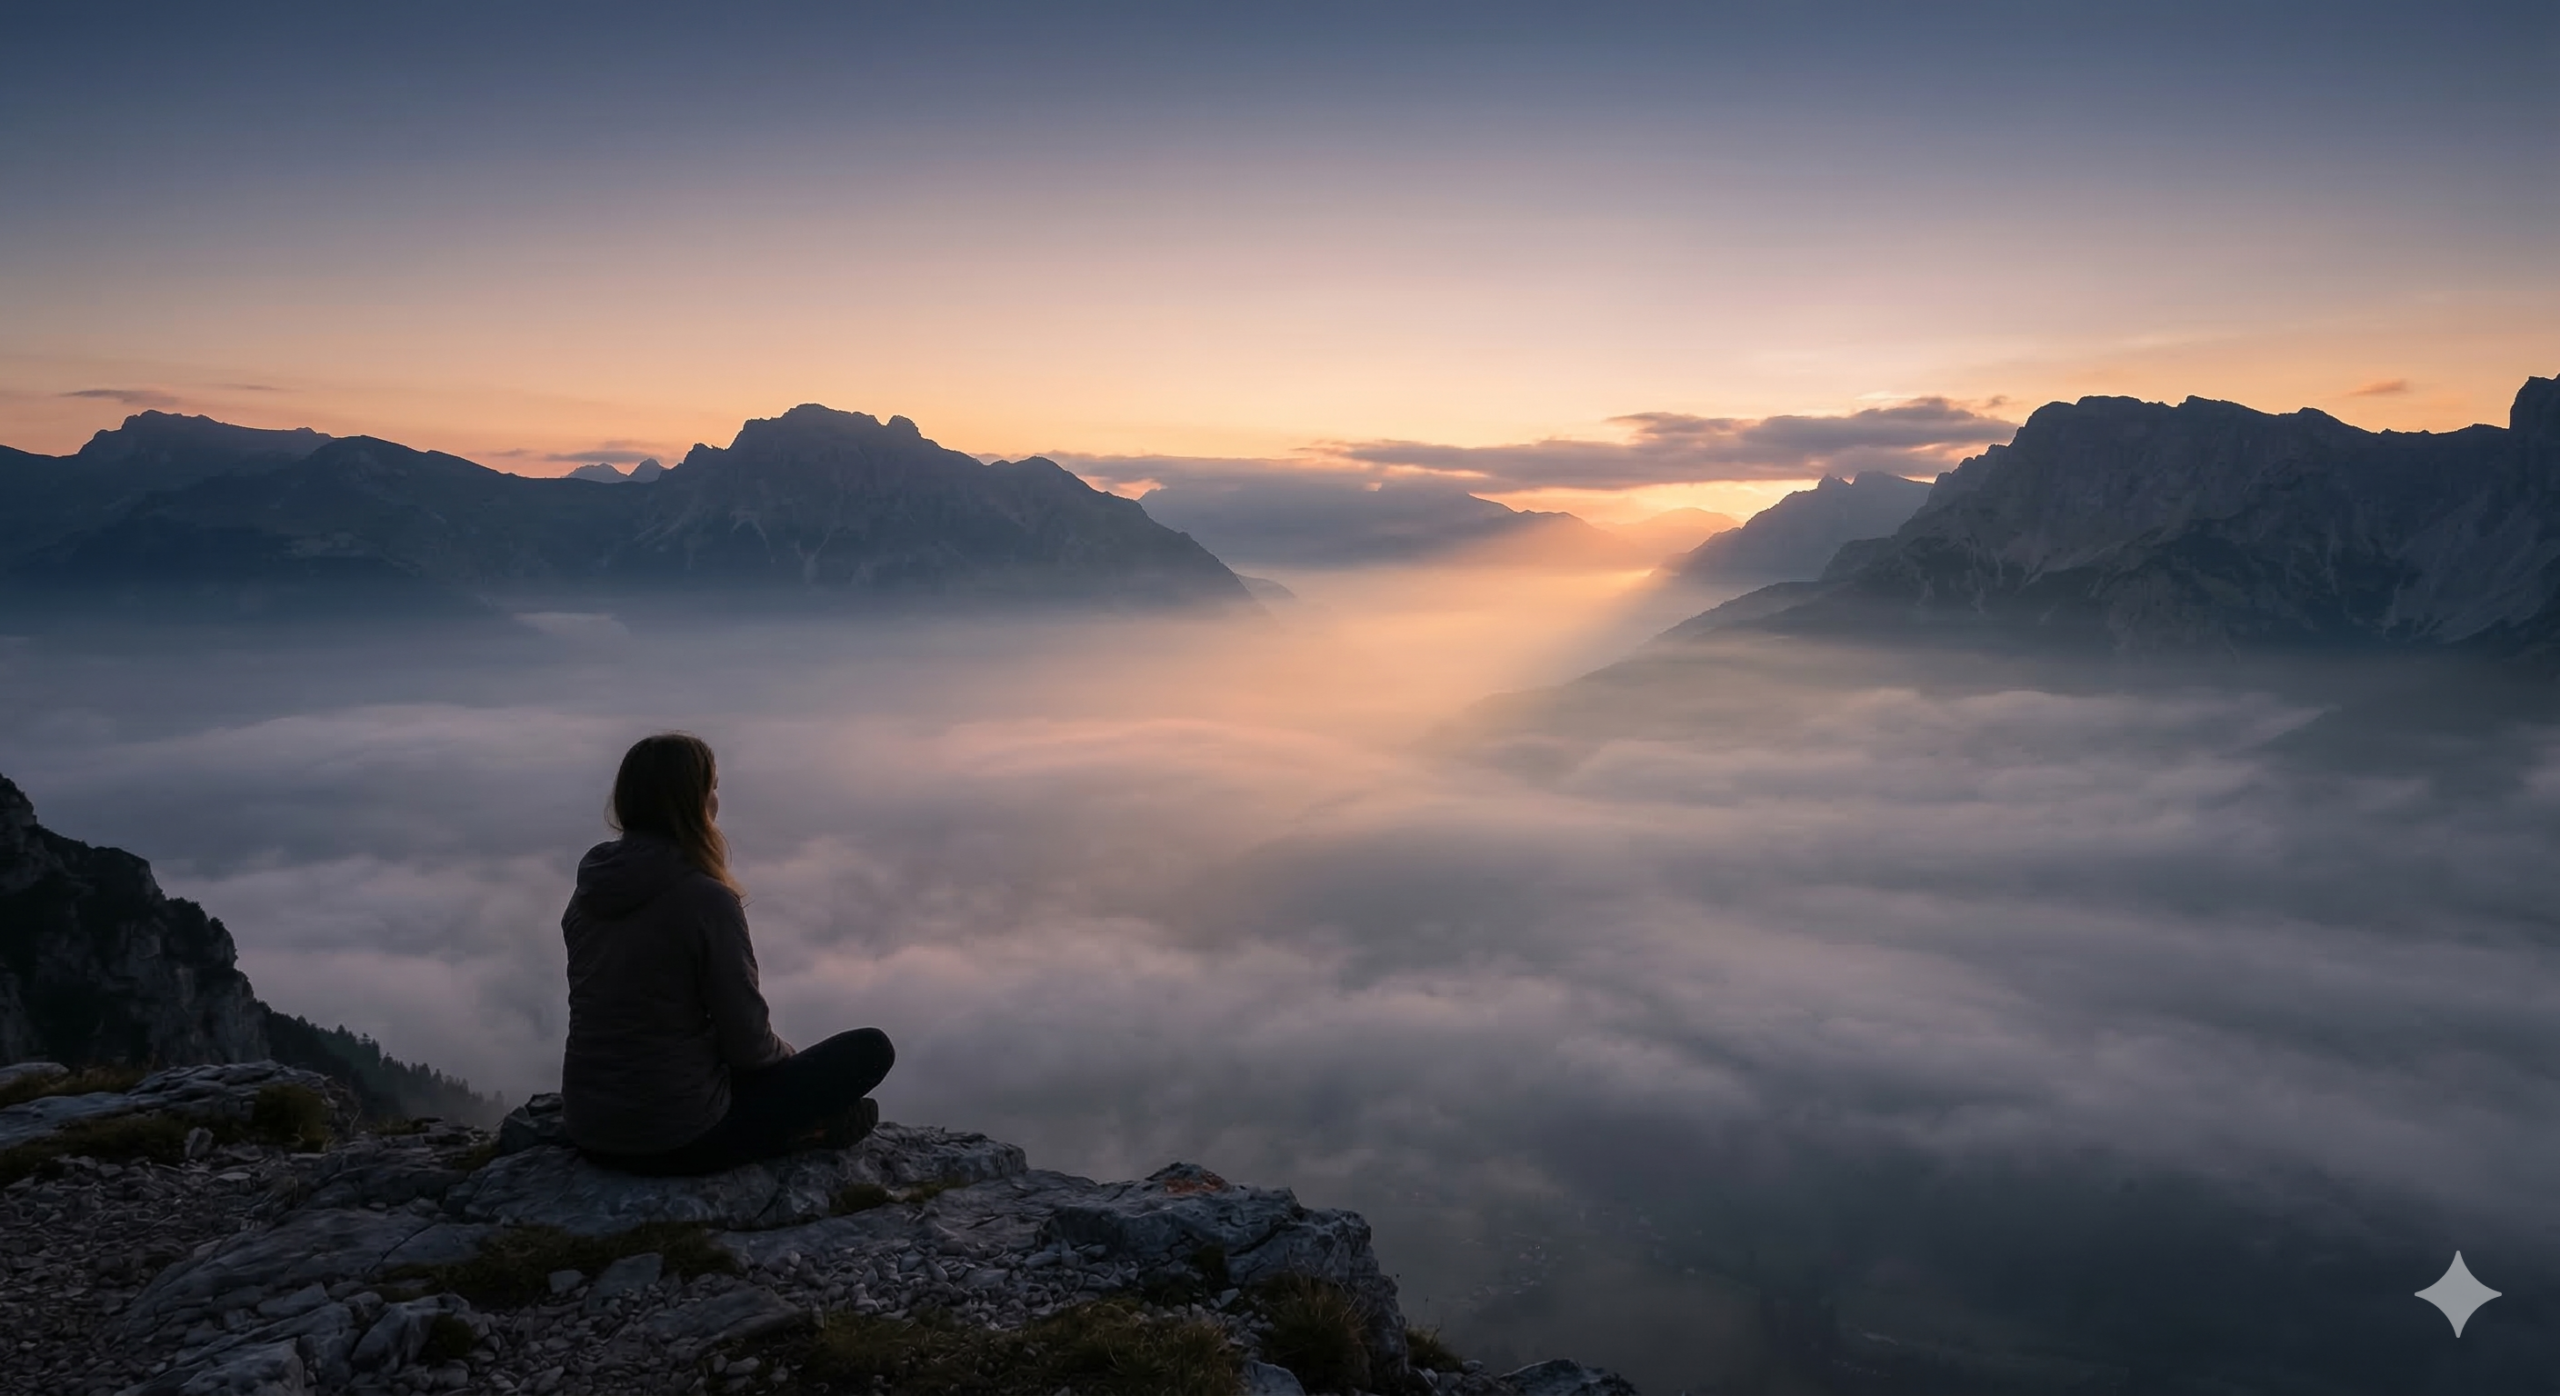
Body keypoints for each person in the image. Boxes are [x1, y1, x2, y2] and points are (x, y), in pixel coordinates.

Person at [560, 732, 894, 1175]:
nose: (717, 798)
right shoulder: (706, 900)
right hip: (677, 1136)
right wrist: (791, 1066)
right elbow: (749, 1047)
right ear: (694, 800)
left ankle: (804, 1124)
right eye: (713, 786)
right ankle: (805, 1132)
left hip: (590, 1127)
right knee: (871, 1048)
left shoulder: (587, 894)